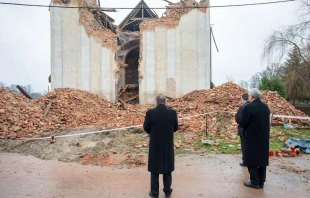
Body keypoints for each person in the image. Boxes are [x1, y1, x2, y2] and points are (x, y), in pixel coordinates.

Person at [143, 94, 178, 198]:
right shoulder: (172, 113)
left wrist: (154, 133)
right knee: (167, 167)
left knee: (154, 169)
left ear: (156, 101)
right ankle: (167, 191)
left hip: (155, 144)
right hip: (167, 144)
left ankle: (154, 193)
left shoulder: (150, 113)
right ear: (165, 101)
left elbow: (146, 127)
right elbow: (175, 127)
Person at [238, 88, 270, 189]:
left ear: (251, 97)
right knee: (261, 159)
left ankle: (254, 181)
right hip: (263, 138)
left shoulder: (249, 107)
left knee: (251, 159)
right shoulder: (265, 107)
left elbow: (242, 122)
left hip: (251, 138)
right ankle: (261, 182)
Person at [235, 93, 250, 166]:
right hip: (253, 130)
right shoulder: (254, 106)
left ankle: (245, 161)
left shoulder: (243, 107)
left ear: (242, 99)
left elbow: (238, 118)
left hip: (243, 130)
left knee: (244, 146)